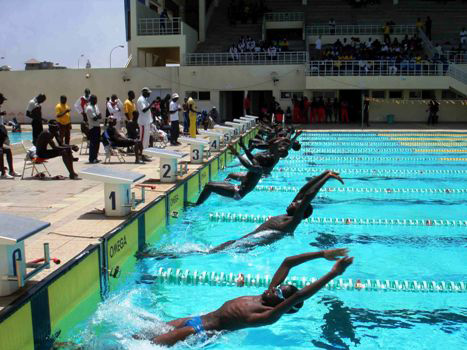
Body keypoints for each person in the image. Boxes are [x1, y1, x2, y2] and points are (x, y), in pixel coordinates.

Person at [139, 250, 353, 346]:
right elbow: (288, 262)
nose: (273, 289)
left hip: (200, 332)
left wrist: (334, 273)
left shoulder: (268, 314)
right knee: (140, 336)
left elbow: (299, 295)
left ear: (283, 304)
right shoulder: (266, 295)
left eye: (279, 292)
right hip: (194, 319)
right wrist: (322, 254)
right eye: (277, 287)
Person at [196, 144, 263, 205]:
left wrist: (237, 154)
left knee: (208, 186)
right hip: (236, 187)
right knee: (210, 183)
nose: (255, 156)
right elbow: (251, 157)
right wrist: (243, 147)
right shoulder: (257, 164)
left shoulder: (259, 169)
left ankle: (196, 205)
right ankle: (211, 195)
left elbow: (248, 165)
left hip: (237, 193)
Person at [0, 94, 18, 178]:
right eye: (2, 100)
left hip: (2, 131)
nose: (3, 101)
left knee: (8, 150)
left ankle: (11, 171)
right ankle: (3, 173)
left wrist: (6, 123)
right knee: (0, 152)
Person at [85, 95, 102, 163]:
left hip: (97, 126)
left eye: (96, 99)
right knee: (93, 144)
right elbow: (94, 118)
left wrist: (98, 116)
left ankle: (95, 157)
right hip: (93, 127)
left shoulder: (95, 106)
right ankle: (91, 158)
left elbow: (100, 115)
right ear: (91, 100)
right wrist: (98, 116)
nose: (96, 101)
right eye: (95, 100)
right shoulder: (89, 108)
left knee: (97, 144)